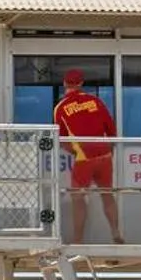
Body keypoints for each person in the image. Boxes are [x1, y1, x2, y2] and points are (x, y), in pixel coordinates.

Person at [53, 68, 124, 245]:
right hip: (104, 155)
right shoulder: (96, 101)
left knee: (78, 198)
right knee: (107, 195)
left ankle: (78, 240)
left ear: (64, 84)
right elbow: (111, 130)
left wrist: (76, 152)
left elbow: (61, 139)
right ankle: (115, 232)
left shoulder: (60, 108)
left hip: (84, 157)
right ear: (81, 84)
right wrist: (109, 151)